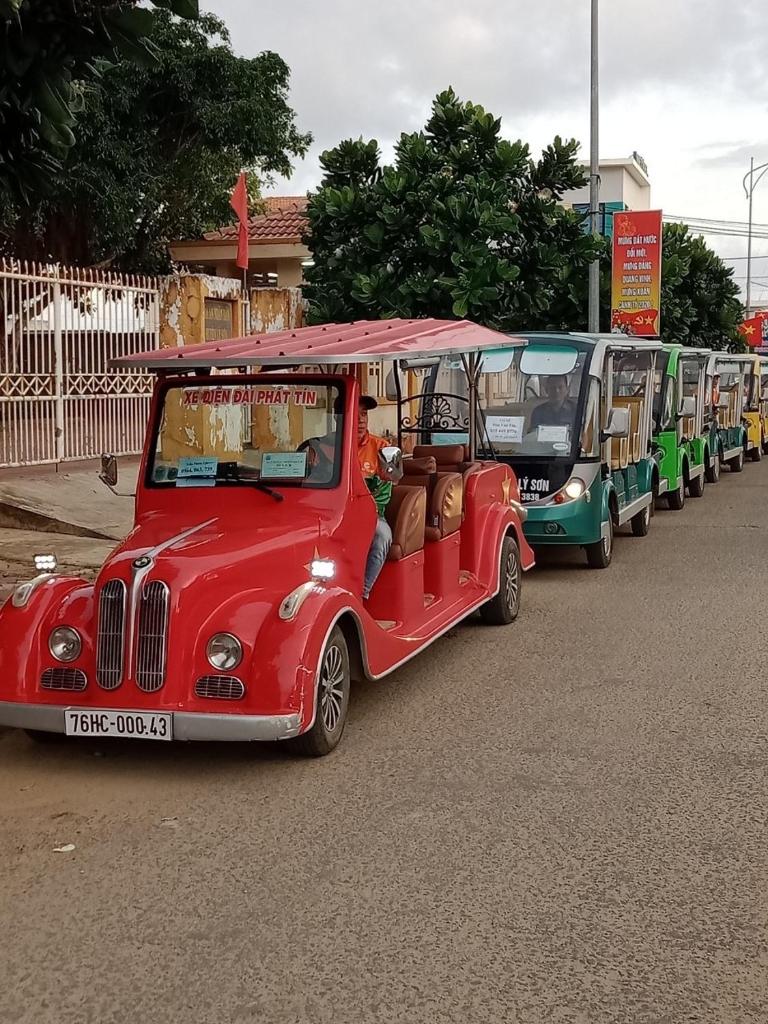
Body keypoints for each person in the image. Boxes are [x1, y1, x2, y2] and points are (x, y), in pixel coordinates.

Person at [356, 395, 393, 600]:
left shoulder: (382, 447)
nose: (361, 420)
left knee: (381, 536)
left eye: (364, 414)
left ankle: (363, 592)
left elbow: (385, 492)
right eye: (355, 414)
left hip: (372, 515)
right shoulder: (328, 447)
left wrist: (367, 511)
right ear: (339, 417)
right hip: (335, 515)